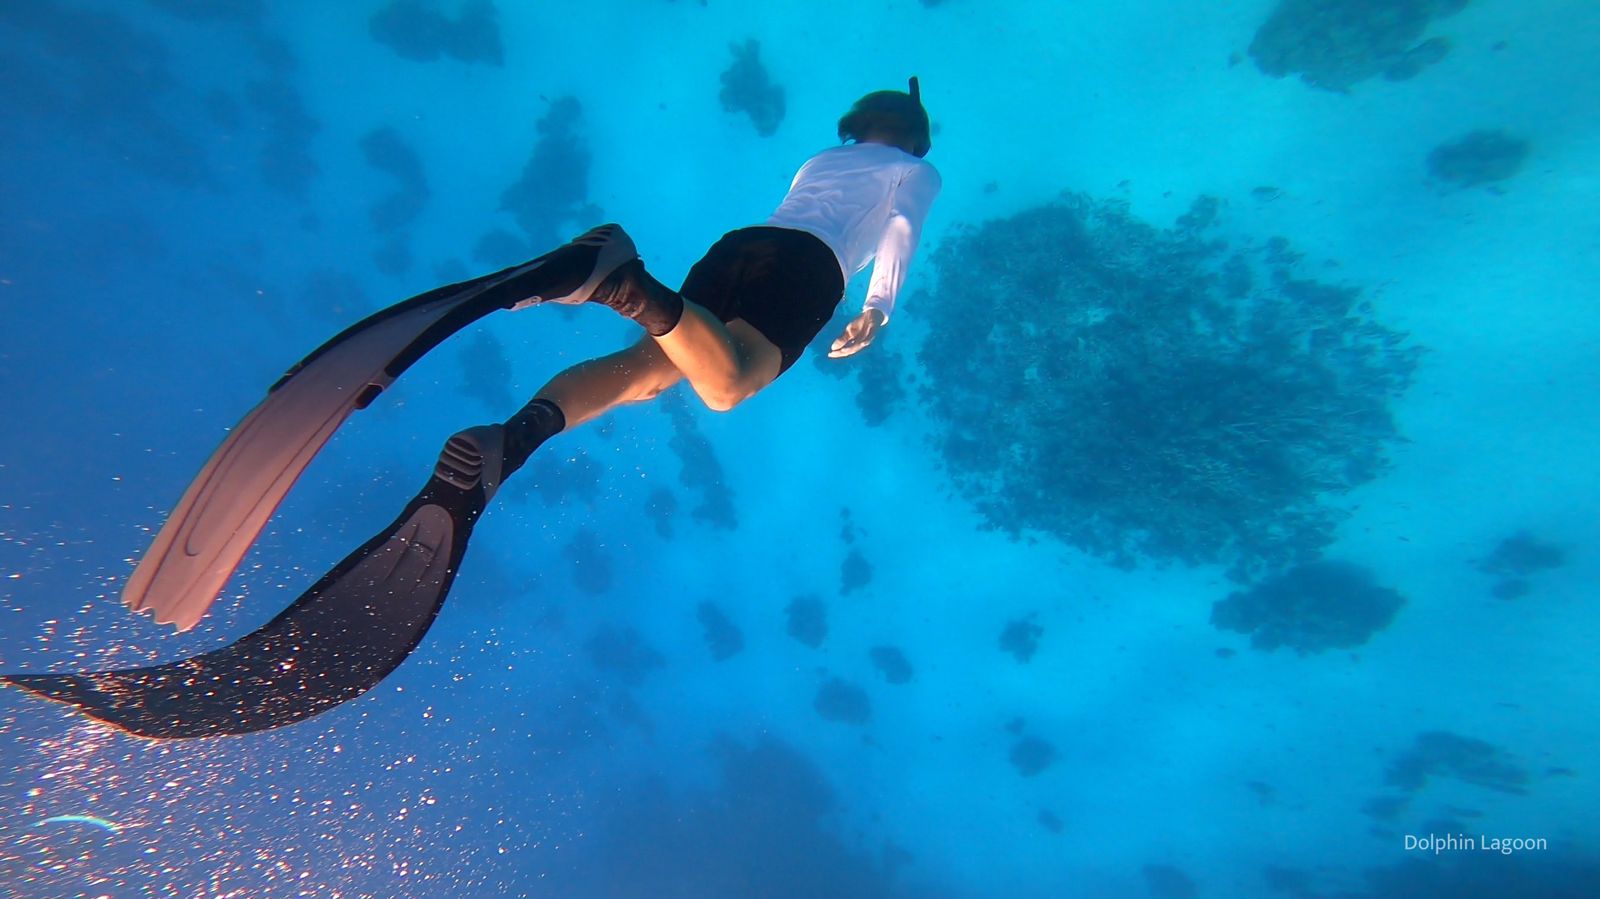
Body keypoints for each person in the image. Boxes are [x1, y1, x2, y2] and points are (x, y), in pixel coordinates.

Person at [1, 79, 942, 740]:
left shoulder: (828, 152)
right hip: (812, 266)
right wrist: (879, 307)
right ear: (912, 139)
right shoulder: (912, 169)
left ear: (857, 122)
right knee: (729, 386)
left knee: (652, 371)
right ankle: (620, 282)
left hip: (743, 247)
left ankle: (516, 439)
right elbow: (897, 229)